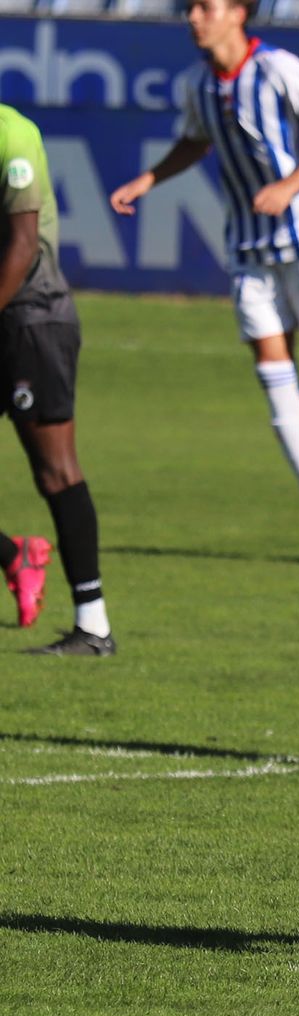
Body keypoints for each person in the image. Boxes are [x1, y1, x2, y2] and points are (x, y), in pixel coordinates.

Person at [108, 0, 299, 565]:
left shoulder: (278, 68)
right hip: (245, 242)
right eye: (189, 8)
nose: (193, 17)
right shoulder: (197, 84)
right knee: (272, 374)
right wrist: (149, 178)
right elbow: (196, 140)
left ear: (238, 13)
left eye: (205, 6)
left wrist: (291, 185)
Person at [1, 105, 115, 656]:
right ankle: (12, 555)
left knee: (55, 471)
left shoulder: (13, 136)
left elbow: (22, 247)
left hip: (32, 319)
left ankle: (93, 626)